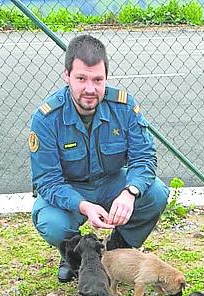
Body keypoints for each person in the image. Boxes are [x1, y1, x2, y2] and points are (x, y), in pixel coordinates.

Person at [29, 35, 169, 282]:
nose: (90, 89)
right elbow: (47, 181)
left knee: (155, 193)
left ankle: (116, 250)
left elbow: (144, 158)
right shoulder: (46, 118)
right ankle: (75, 258)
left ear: (106, 78)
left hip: (112, 182)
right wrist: (83, 205)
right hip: (71, 189)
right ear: (67, 75)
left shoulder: (123, 107)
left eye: (98, 80)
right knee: (52, 222)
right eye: (81, 79)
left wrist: (130, 192)